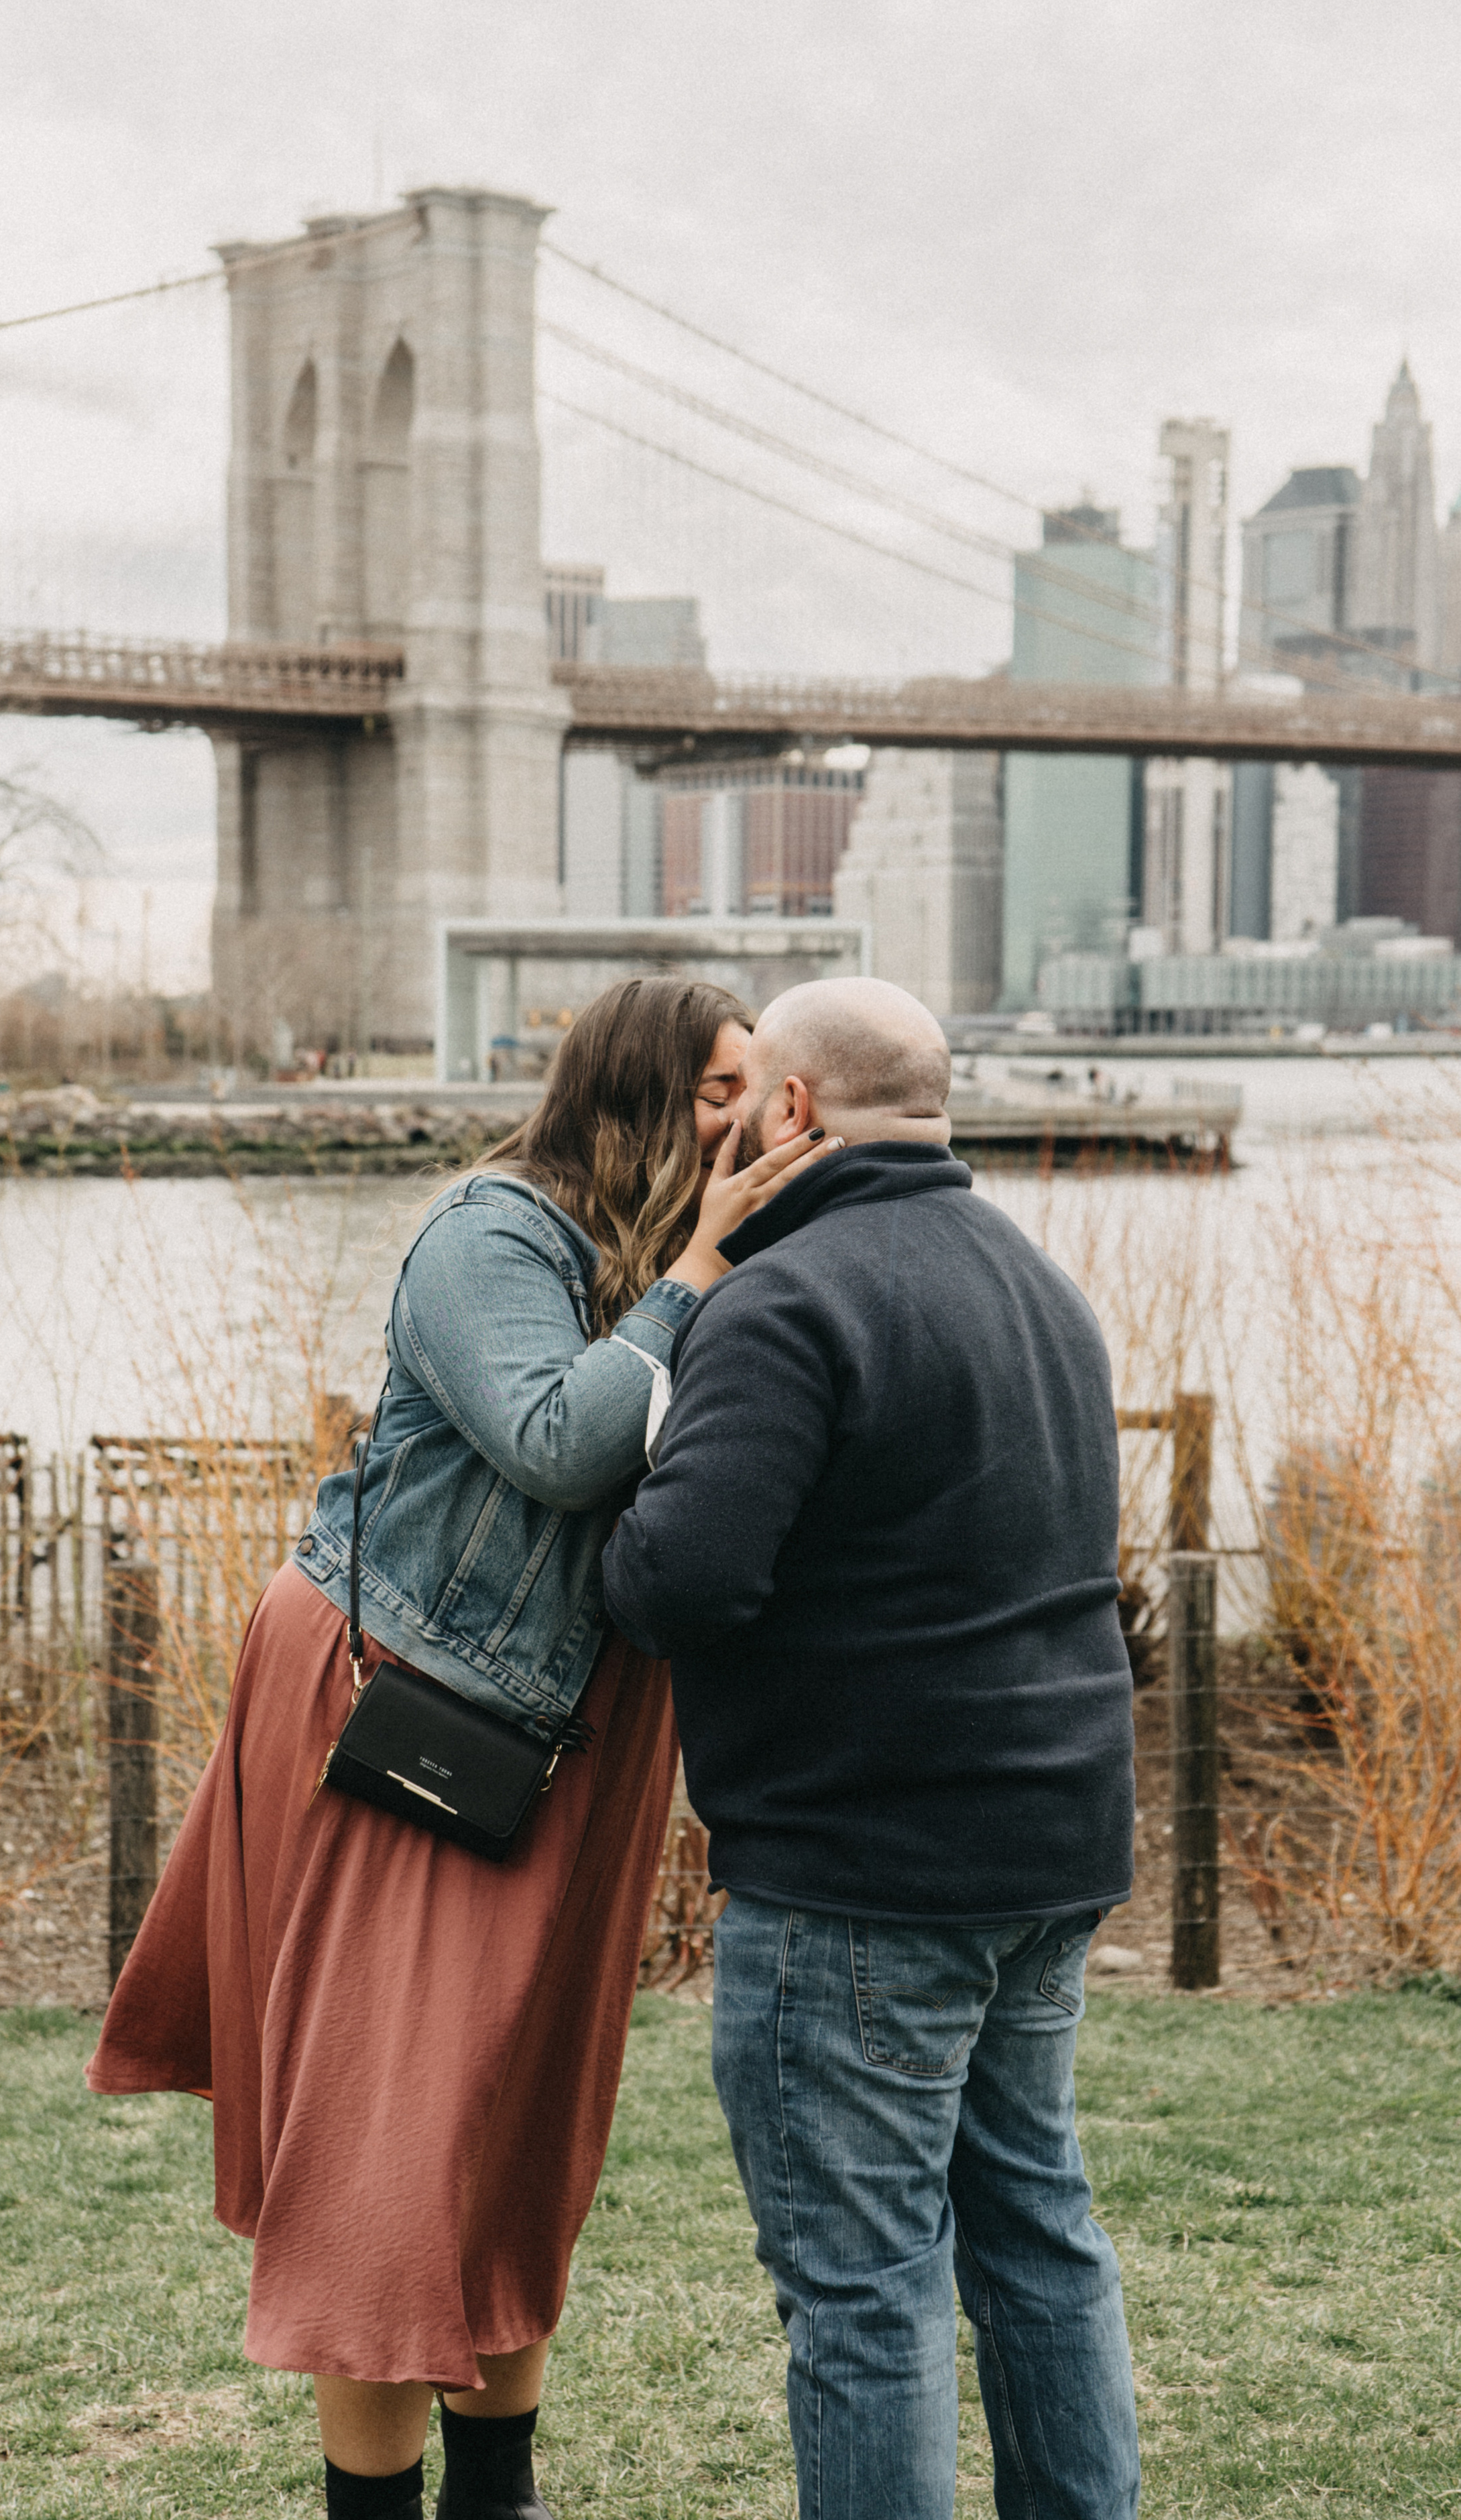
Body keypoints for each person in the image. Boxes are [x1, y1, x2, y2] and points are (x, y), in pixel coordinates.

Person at [85, 975, 834, 2520]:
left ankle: (498, 2496)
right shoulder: (490, 1235)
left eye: (753, 1088)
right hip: (407, 1705)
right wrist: (700, 1262)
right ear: (628, 1092)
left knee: (509, 2131)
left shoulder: (694, 1253)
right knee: (385, 2143)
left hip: (579, 1733)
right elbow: (561, 1444)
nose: (739, 1117)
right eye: (711, 1088)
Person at [603, 976, 1140, 2520]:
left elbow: (679, 1580)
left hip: (860, 1874)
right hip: (1047, 1848)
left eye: (745, 1094)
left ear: (792, 1111)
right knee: (1036, 2234)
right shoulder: (1039, 1287)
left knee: (861, 2291)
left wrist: (586, 1540)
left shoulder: (784, 1299)